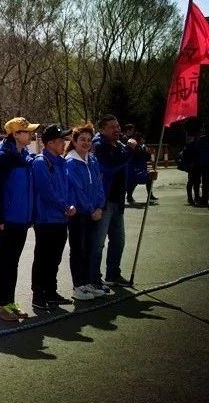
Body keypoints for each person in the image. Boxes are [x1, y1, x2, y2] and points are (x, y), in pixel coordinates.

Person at [0, 117, 38, 321]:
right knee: (3, 263)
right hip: (5, 221)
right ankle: (1, 306)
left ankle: (10, 302)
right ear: (15, 134)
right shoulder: (2, 158)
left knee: (13, 263)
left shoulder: (24, 156)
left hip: (21, 220)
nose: (31, 134)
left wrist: (30, 215)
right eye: (27, 131)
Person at [30, 124, 76, 310]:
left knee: (54, 258)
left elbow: (67, 187)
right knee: (43, 258)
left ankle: (50, 292)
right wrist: (65, 206)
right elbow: (46, 191)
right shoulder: (41, 162)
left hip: (60, 218)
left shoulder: (60, 161)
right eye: (60, 140)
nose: (64, 143)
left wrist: (70, 204)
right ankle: (38, 295)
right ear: (49, 143)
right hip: (46, 219)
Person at [65, 123, 107, 301]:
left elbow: (99, 185)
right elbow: (77, 190)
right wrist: (91, 209)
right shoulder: (70, 162)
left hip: (93, 213)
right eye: (82, 139)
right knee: (78, 249)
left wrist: (99, 207)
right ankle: (78, 286)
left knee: (89, 249)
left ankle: (88, 282)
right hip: (79, 214)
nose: (86, 143)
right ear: (74, 141)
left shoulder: (93, 160)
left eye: (89, 140)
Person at [91, 114, 132, 289]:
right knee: (98, 243)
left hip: (117, 200)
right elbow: (109, 167)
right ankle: (94, 278)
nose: (117, 130)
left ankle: (113, 274)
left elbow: (125, 167)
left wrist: (146, 176)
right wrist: (129, 152)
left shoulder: (120, 145)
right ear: (102, 129)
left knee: (118, 240)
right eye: (112, 127)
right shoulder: (99, 146)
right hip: (104, 201)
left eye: (118, 126)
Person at [125, 133, 158, 205]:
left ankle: (150, 195)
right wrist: (146, 152)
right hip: (134, 169)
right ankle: (129, 197)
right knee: (132, 183)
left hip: (141, 168)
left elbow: (146, 158)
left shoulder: (143, 146)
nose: (144, 140)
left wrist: (149, 153)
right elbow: (137, 156)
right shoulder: (134, 147)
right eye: (143, 139)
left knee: (148, 179)